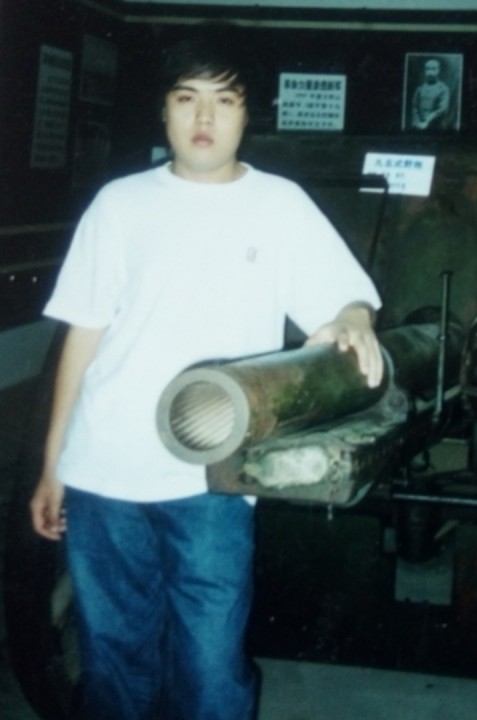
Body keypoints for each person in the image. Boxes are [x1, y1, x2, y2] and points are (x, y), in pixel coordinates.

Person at [29, 27, 383, 720]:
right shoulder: (119, 204)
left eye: (224, 100)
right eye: (186, 97)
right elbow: (82, 338)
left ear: (248, 116)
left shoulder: (279, 205)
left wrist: (354, 318)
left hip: (214, 478)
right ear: (163, 111)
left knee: (212, 672)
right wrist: (53, 466)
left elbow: (344, 297)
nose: (203, 117)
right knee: (113, 666)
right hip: (105, 475)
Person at [411, 58, 451, 131]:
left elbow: (443, 109)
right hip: (419, 126)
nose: (430, 72)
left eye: (433, 69)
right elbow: (414, 107)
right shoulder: (420, 89)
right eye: (428, 69)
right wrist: (417, 123)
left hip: (436, 127)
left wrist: (427, 121)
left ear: (438, 70)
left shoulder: (443, 89)